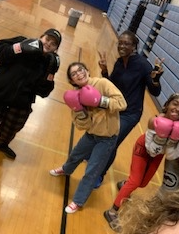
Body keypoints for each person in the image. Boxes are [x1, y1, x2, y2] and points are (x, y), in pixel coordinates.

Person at [104, 90, 179, 230]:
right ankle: (112, 211)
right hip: (144, 148)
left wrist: (170, 142)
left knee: (143, 183)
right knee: (135, 181)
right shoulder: (155, 120)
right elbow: (150, 148)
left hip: (160, 154)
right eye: (175, 104)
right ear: (167, 105)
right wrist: (162, 138)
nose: (178, 109)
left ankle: (125, 185)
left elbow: (173, 155)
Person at [49, 62, 127, 214]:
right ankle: (66, 170)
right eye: (74, 74)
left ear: (87, 70)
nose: (79, 74)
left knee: (92, 170)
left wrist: (100, 102)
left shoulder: (102, 83)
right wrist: (80, 110)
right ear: (72, 81)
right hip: (91, 135)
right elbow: (80, 125)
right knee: (75, 155)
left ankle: (78, 201)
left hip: (106, 139)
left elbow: (122, 103)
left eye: (81, 70)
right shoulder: (74, 96)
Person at [94, 30, 163, 188]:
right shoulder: (119, 63)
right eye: (120, 43)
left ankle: (100, 174)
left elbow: (155, 91)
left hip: (131, 113)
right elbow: (112, 86)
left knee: (112, 142)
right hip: (115, 108)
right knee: (102, 135)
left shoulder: (143, 65)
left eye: (126, 43)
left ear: (134, 46)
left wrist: (156, 79)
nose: (122, 46)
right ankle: (95, 157)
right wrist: (104, 70)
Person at [0, 28, 61, 159]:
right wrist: (20, 47)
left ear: (55, 49)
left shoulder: (48, 63)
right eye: (47, 39)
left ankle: (2, 144)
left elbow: (44, 92)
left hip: (21, 104)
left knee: (10, 131)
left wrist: (51, 73)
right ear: (41, 37)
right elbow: (0, 51)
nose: (49, 43)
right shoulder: (22, 41)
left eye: (54, 43)